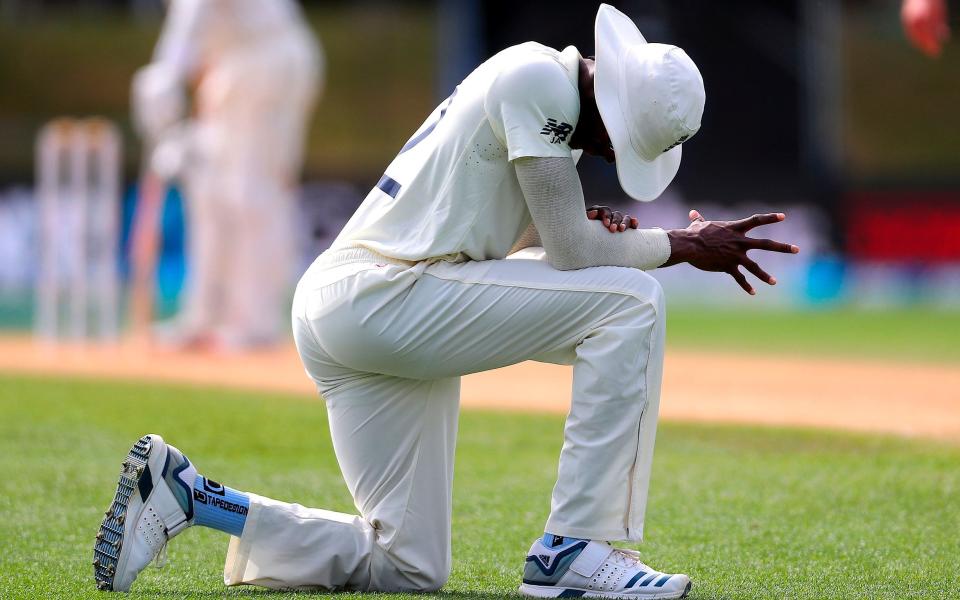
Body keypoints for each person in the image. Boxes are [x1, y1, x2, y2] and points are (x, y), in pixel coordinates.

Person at [95, 5, 797, 597]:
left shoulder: (542, 102)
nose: (613, 158)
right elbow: (573, 257)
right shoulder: (537, 81)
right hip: (383, 293)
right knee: (633, 304)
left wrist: (595, 234)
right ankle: (575, 551)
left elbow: (520, 258)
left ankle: (190, 496)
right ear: (608, 105)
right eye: (620, 145)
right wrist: (679, 245)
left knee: (406, 568)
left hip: (367, 309)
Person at [132, 0, 322, 350]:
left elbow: (194, 12)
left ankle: (255, 323)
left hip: (268, 61)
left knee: (251, 193)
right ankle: (203, 316)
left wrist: (166, 73)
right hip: (232, 67)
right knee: (209, 191)